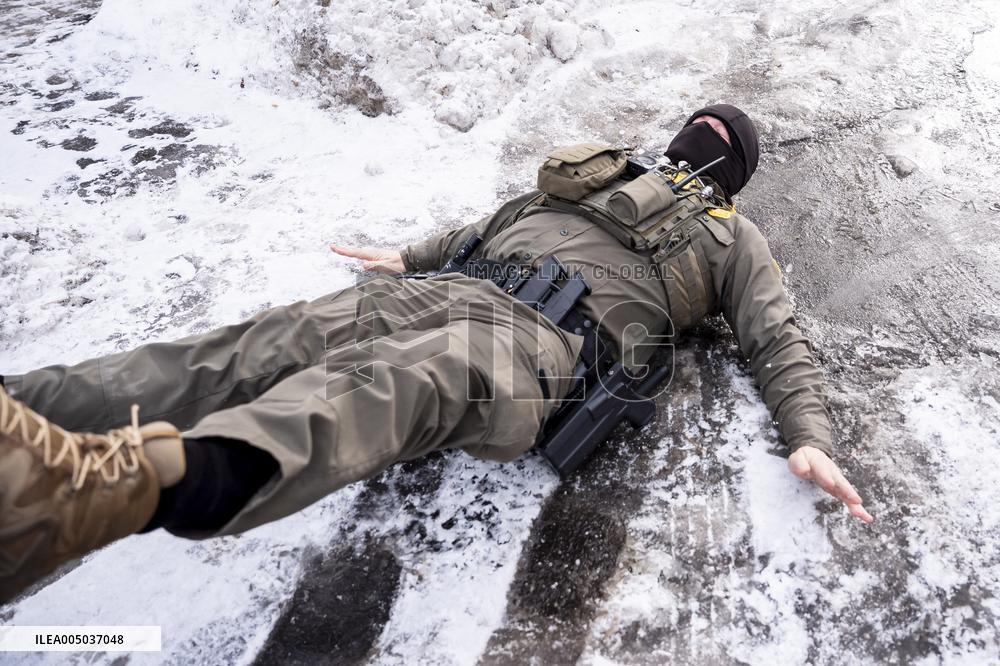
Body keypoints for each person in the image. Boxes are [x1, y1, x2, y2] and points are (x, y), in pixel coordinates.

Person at [0, 104, 873, 604]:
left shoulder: (732, 238)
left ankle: (104, 489)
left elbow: (776, 340)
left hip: (536, 338)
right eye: (704, 125)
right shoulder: (605, 175)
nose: (703, 139)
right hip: (453, 286)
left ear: (729, 174)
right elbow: (489, 226)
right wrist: (411, 255)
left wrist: (811, 437)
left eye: (721, 139)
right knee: (254, 346)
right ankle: (23, 410)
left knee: (386, 387)